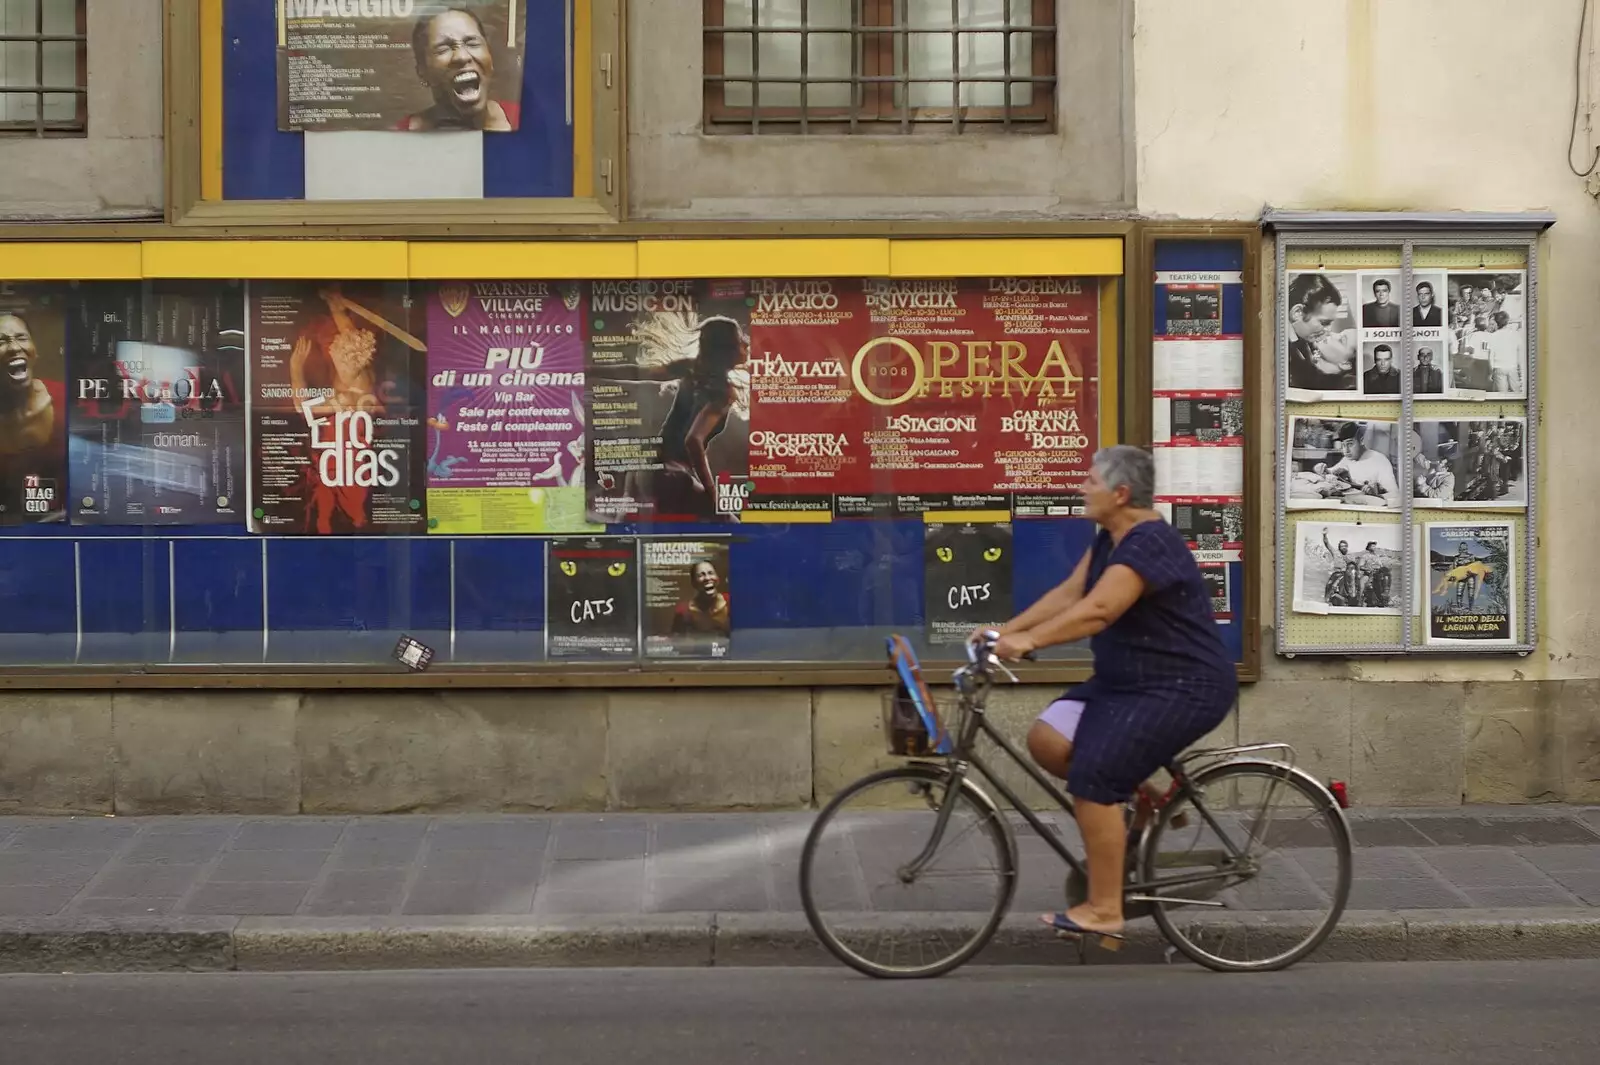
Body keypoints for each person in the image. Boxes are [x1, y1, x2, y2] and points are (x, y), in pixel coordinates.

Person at [983, 446, 1236, 946]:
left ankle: (1104, 909)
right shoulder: (1110, 538)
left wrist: (1031, 642)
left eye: (1091, 481)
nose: (1082, 487)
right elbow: (1073, 593)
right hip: (1128, 679)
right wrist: (1003, 632)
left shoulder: (1150, 544)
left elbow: (1100, 610)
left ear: (1120, 494)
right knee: (1048, 739)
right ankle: (1148, 795)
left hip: (1182, 685)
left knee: (1093, 775)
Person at [588, 316, 749, 516]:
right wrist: (713, 493)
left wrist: (589, 371)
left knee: (629, 529)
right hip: (670, 475)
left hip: (645, 468)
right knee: (727, 525)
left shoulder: (690, 368)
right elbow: (693, 441)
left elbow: (636, 373)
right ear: (727, 349)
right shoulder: (723, 393)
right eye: (740, 340)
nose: (746, 344)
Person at [398, 8, 521, 132]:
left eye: (473, 44)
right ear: (422, 72)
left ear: (490, 58)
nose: (462, 57)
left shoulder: (524, 117)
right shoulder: (399, 137)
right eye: (443, 49)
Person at [0, 310, 65, 522]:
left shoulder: (65, 399)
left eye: (22, 338)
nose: (14, 348)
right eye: (1, 341)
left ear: (35, 351)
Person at [1286, 273, 1357, 392]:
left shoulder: (1305, 340)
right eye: (1323, 322)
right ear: (1297, 312)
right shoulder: (1282, 350)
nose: (1328, 331)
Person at [1314, 421, 1400, 508]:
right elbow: (1331, 472)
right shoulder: (1348, 459)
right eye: (1343, 445)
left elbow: (1395, 495)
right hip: (1350, 503)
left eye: (1350, 444)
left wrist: (1376, 495)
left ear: (1362, 441)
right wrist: (1323, 469)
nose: (1346, 450)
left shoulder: (1380, 461)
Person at [671, 558, 731, 637]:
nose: (707, 578)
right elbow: (677, 641)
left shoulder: (732, 602)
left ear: (718, 578)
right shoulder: (683, 611)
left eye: (711, 573)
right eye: (700, 575)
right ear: (694, 583)